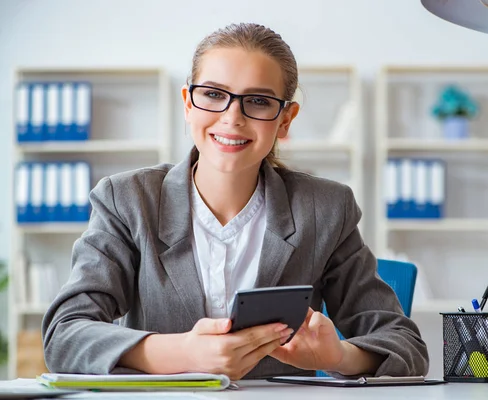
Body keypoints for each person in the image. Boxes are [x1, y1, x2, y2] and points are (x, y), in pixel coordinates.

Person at [42, 22, 429, 380]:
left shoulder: (326, 208)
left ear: (285, 119)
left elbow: (405, 344)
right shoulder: (127, 200)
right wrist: (182, 354)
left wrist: (337, 357)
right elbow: (65, 335)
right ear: (188, 103)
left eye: (258, 101)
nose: (232, 118)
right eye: (213, 94)